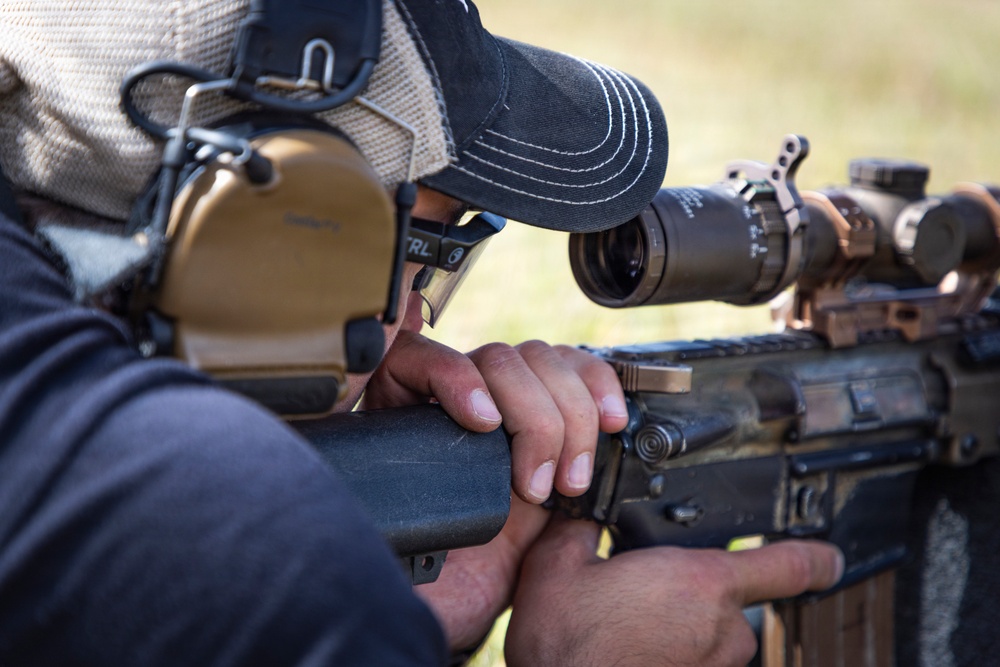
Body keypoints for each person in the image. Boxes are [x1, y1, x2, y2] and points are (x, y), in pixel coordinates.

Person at [0, 1, 843, 665]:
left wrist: (420, 601)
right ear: (279, 237)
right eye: (427, 249)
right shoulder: (253, 552)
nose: (413, 319)